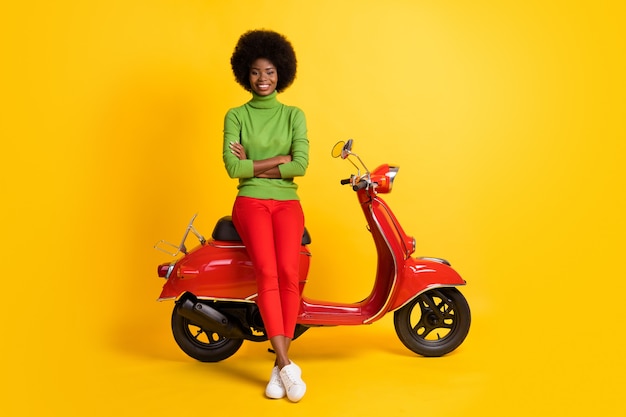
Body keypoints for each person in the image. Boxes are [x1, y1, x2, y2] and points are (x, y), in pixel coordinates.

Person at [222, 29, 309, 402]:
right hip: (251, 203)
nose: (263, 79)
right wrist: (278, 160)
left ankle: (278, 369)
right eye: (256, 72)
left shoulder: (294, 115)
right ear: (246, 73)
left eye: (270, 71)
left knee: (290, 273)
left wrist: (253, 164)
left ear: (281, 73)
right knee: (267, 273)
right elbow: (231, 169)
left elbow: (302, 165)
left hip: (288, 203)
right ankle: (288, 364)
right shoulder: (236, 115)